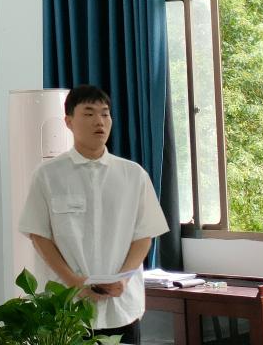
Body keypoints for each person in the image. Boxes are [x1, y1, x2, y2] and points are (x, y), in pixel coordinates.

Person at [18, 84, 169, 344]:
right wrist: (73, 282)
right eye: (88, 113)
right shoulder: (48, 175)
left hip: (121, 308)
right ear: (68, 122)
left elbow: (145, 234)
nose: (99, 121)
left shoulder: (133, 175)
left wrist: (124, 278)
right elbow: (39, 234)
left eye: (105, 114)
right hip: (67, 310)